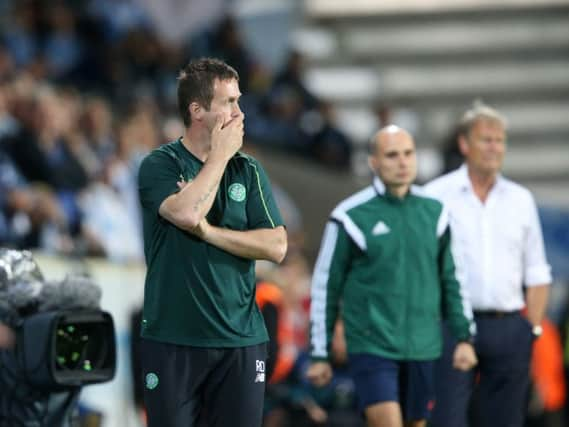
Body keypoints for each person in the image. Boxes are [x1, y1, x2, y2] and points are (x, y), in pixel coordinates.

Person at [137, 57, 287, 427]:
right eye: (229, 102)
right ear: (198, 110)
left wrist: (209, 233)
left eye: (239, 100)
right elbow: (186, 214)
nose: (240, 112)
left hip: (241, 339)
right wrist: (219, 155)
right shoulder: (161, 164)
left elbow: (276, 246)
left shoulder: (248, 170)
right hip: (173, 337)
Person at [307, 125, 477, 427]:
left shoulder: (436, 212)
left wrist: (464, 336)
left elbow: (453, 278)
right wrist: (320, 353)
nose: (402, 162)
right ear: (374, 162)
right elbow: (325, 286)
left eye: (408, 153)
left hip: (424, 345)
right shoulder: (350, 216)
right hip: (372, 346)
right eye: (392, 155)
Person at [424, 102, 552, 427]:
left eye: (500, 140)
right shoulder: (436, 196)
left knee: (506, 420)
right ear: (465, 144)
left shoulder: (521, 199)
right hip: (451, 326)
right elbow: (421, 266)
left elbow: (537, 271)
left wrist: (531, 330)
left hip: (507, 325)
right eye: (486, 139)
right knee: (447, 419)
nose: (494, 148)